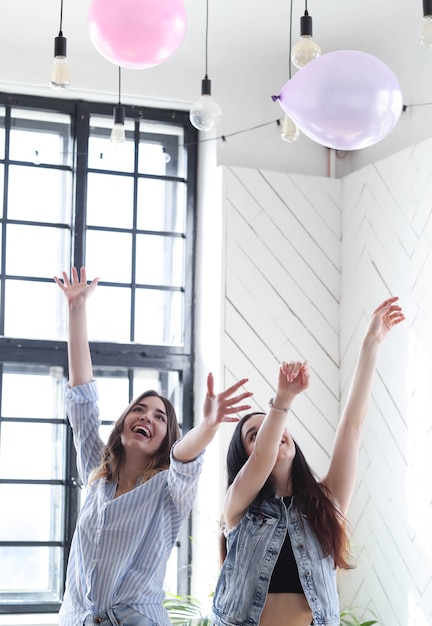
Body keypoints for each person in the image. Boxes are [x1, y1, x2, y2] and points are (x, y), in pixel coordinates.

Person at [54, 266, 252, 626]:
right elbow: (82, 401)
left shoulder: (169, 491)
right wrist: (76, 309)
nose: (147, 417)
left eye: (160, 417)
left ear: (166, 439)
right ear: (125, 421)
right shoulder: (97, 474)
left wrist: (208, 426)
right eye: (140, 409)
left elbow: (185, 458)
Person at [211, 297, 405, 626]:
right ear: (244, 458)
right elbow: (262, 460)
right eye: (253, 436)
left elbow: (353, 426)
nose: (268, 436)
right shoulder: (238, 508)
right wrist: (282, 399)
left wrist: (371, 344)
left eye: (272, 427)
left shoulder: (325, 504)